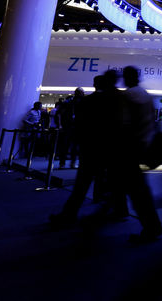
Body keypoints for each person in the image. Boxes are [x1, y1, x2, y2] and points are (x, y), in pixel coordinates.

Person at [50, 75, 114, 228]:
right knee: (101, 179)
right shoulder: (113, 101)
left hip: (90, 147)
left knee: (82, 184)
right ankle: (100, 207)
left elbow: (80, 123)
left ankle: (70, 214)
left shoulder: (89, 101)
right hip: (105, 148)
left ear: (95, 85)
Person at [115, 65, 162, 244]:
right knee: (136, 187)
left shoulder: (127, 96)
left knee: (137, 190)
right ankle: (149, 225)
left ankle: (152, 227)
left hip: (129, 148)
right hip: (143, 145)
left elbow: (123, 124)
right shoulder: (146, 95)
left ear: (126, 78)